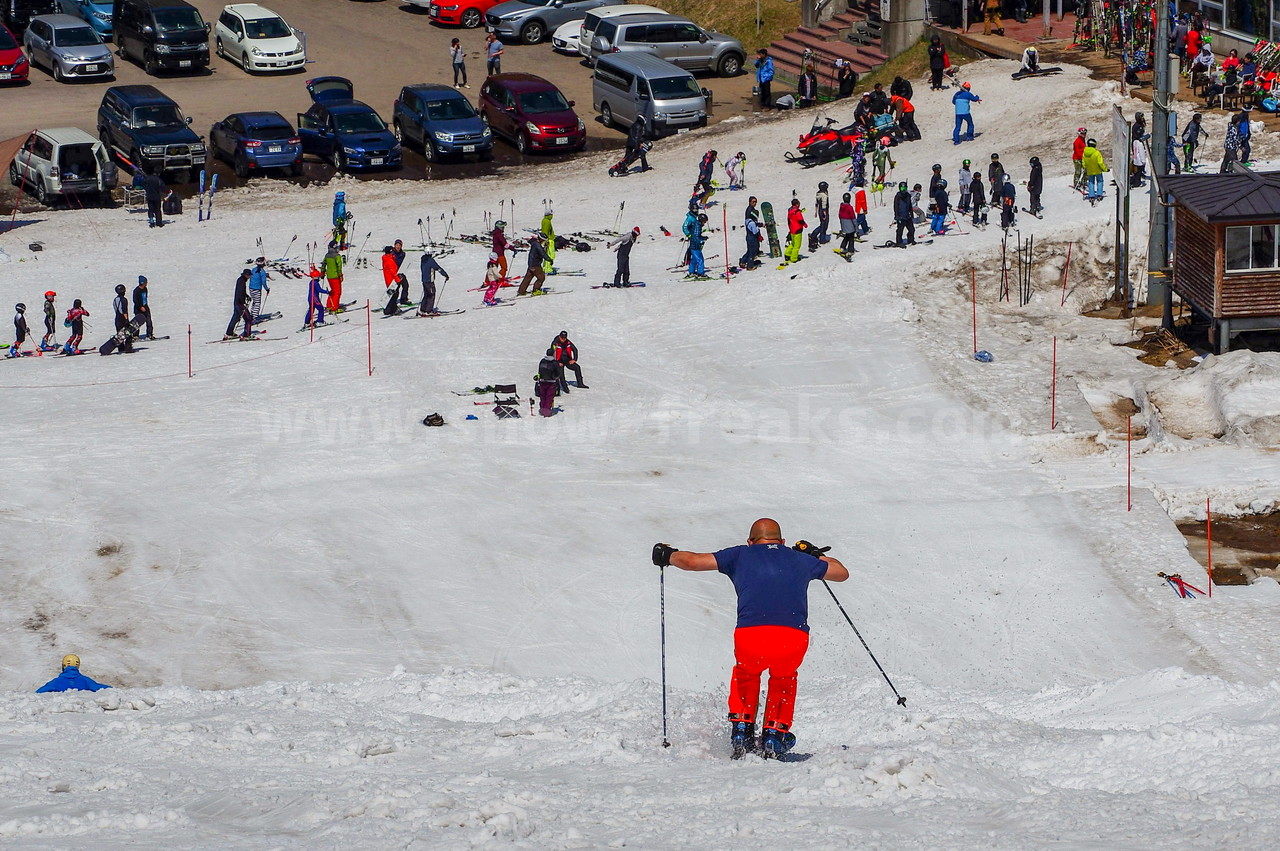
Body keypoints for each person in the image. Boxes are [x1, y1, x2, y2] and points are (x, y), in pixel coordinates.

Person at [651, 518, 850, 758]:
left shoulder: (739, 555)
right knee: (784, 679)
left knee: (746, 673)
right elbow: (841, 573)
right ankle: (775, 736)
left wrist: (668, 555)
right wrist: (816, 555)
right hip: (793, 635)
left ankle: (742, 730)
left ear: (750, 541)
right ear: (783, 541)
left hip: (751, 634)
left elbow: (692, 562)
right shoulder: (800, 559)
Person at [36, 654, 111, 693]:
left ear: (64, 665)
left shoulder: (55, 682)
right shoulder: (86, 680)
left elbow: (39, 692)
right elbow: (98, 687)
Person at [418, 250, 451, 315]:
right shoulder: (430, 260)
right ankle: (428, 310)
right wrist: (445, 275)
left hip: (424, 281)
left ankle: (423, 309)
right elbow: (438, 268)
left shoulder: (423, 260)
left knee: (426, 295)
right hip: (430, 281)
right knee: (431, 295)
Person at [225, 269, 253, 340]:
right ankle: (247, 335)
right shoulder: (242, 281)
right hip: (240, 303)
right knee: (248, 319)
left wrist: (247, 296)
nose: (250, 276)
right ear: (246, 275)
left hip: (237, 302)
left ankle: (229, 333)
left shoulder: (241, 280)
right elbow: (240, 292)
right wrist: (243, 302)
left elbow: (241, 292)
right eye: (249, 275)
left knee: (236, 317)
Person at [536, 348, 561, 416]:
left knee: (543, 396)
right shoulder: (555, 362)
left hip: (542, 381)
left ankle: (542, 409)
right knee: (549, 396)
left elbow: (539, 371)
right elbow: (558, 373)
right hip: (551, 382)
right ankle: (546, 410)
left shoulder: (542, 361)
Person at [740, 197, 762, 269]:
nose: (755, 203)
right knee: (752, 252)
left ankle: (743, 261)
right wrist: (758, 233)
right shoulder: (750, 211)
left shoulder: (751, 213)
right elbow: (754, 230)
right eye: (753, 202)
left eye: (755, 202)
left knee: (749, 250)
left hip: (749, 236)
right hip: (752, 237)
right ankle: (750, 266)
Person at [323, 240, 344, 313]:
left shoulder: (327, 255)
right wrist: (340, 275)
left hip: (329, 276)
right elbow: (339, 266)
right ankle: (335, 307)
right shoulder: (337, 256)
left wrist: (322, 272)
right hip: (335, 276)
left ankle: (329, 305)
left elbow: (323, 264)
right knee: (337, 292)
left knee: (333, 291)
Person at [808, 182, 829, 252]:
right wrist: (825, 213)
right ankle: (821, 238)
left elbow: (816, 203)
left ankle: (817, 235)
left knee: (822, 224)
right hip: (823, 210)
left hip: (820, 210)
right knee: (824, 225)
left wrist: (816, 212)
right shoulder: (824, 195)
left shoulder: (818, 193)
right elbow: (824, 204)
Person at [893, 181, 915, 246]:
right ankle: (899, 242)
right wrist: (897, 216)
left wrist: (911, 213)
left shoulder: (908, 195)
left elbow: (910, 205)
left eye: (905, 188)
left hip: (908, 216)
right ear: (899, 188)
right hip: (901, 216)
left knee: (912, 229)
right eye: (902, 188)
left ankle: (910, 240)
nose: (904, 190)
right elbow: (896, 206)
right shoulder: (898, 196)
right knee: (900, 230)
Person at [111, 283, 132, 352]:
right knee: (128, 334)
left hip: (117, 318)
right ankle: (128, 348)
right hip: (122, 318)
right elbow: (124, 310)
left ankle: (121, 348)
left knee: (120, 335)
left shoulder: (115, 299)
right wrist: (126, 320)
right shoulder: (124, 299)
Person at [132, 275, 154, 339]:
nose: (146, 283)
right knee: (137, 322)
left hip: (145, 307)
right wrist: (140, 307)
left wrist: (145, 306)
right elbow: (135, 300)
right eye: (145, 282)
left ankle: (149, 334)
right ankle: (135, 335)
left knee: (149, 321)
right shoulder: (136, 291)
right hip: (138, 309)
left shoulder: (145, 289)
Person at [784, 199, 805, 264]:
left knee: (793, 243)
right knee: (797, 245)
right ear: (797, 204)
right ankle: (794, 258)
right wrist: (805, 224)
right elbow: (800, 220)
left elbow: (789, 220)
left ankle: (787, 254)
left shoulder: (790, 211)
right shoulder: (797, 212)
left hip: (792, 229)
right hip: (798, 229)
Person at [688, 212, 708, 278]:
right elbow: (696, 237)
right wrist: (701, 240)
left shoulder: (697, 225)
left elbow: (696, 235)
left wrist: (703, 237)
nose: (704, 223)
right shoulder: (697, 226)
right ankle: (700, 273)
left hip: (693, 245)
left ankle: (691, 272)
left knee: (694, 259)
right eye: (704, 222)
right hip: (695, 246)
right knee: (700, 259)